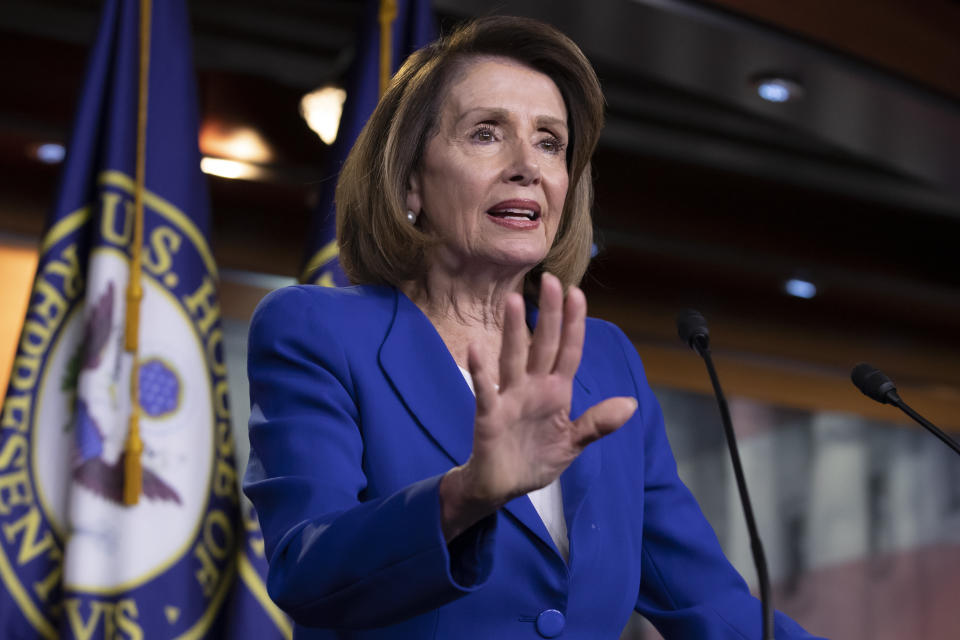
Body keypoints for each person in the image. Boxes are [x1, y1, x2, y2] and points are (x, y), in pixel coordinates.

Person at [244, 16, 825, 640]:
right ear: (409, 179)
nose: (528, 166)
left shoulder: (604, 360)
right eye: (487, 134)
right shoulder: (320, 331)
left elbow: (710, 604)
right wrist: (464, 496)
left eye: (550, 142)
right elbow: (305, 571)